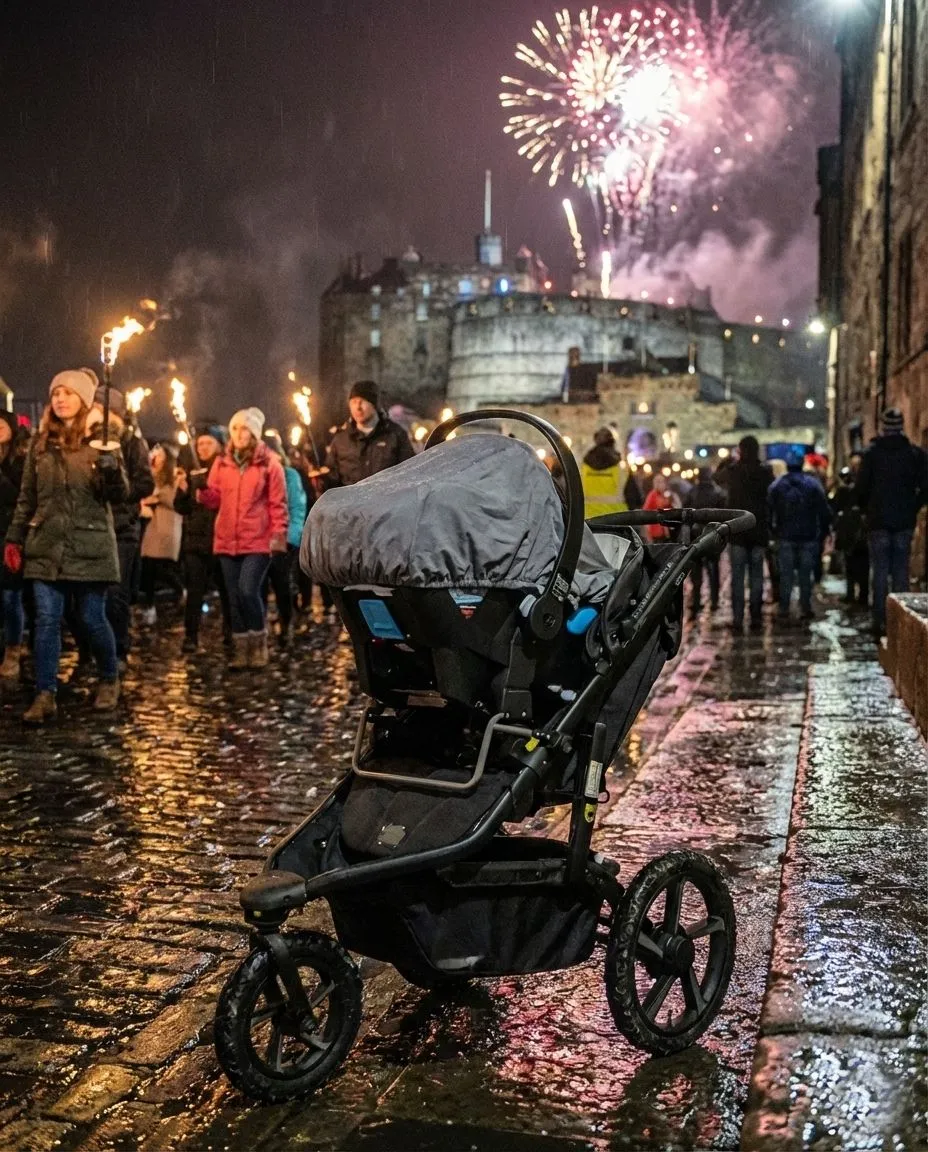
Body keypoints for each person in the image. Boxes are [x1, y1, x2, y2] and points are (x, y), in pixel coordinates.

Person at [4, 370, 127, 722]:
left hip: (90, 545)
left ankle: (108, 677)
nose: (60, 399)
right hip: (46, 545)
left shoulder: (102, 442)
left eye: (68, 393)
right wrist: (15, 537)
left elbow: (118, 495)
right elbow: (28, 498)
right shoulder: (40, 446)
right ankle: (45, 694)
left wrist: (110, 470)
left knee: (91, 618)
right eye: (55, 392)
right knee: (46, 620)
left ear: (84, 401)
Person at [197, 408, 288, 670]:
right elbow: (215, 498)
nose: (238, 434)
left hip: (257, 540)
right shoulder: (222, 463)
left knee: (248, 590)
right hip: (227, 539)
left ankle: (258, 642)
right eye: (235, 428)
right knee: (233, 596)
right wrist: (203, 492)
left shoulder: (269, 464)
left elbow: (277, 503)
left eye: (244, 429)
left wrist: (278, 537)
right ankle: (241, 649)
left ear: (254, 433)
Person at [88, 384, 154, 669]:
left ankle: (118, 650)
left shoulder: (130, 441)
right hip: (92, 526)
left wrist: (118, 487)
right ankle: (94, 649)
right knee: (90, 599)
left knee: (116, 595)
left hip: (122, 526)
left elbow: (145, 483)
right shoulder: (86, 438)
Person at [855, 407, 928, 638]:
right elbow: (925, 486)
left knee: (879, 573)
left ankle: (880, 620)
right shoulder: (914, 454)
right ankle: (901, 622)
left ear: (883, 427)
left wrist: (867, 509)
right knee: (900, 572)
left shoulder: (872, 454)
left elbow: (861, 489)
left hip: (878, 521)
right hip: (904, 521)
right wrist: (913, 506)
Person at [174, 424, 232, 652]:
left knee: (226, 589)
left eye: (209, 443)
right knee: (195, 590)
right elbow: (181, 506)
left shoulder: (225, 469)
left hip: (220, 538)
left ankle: (230, 632)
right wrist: (184, 491)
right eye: (200, 444)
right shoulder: (189, 470)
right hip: (196, 540)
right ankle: (191, 635)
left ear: (218, 445)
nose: (203, 448)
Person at [767, 446, 832, 624]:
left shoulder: (777, 485)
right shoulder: (812, 484)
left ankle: (784, 609)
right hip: (808, 536)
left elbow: (769, 511)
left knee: (786, 576)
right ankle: (805, 608)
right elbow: (824, 511)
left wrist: (773, 532)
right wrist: (824, 532)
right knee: (805, 576)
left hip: (785, 537)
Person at [261, 433, 308, 647]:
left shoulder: (290, 475)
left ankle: (286, 622)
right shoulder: (258, 474)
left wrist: (291, 537)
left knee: (282, 584)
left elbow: (297, 509)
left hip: (284, 539)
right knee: (260, 585)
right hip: (260, 540)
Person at [323, 381, 414, 488]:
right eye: (353, 402)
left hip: (387, 501)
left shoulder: (395, 435)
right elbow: (331, 479)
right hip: (351, 503)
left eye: (362, 401)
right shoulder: (340, 440)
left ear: (374, 404)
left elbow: (410, 472)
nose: (357, 407)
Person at [726, 435, 775, 632]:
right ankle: (755, 617)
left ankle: (738, 619)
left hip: (738, 532)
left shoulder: (734, 472)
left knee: (737, 578)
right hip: (758, 531)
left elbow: (718, 481)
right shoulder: (765, 473)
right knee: (756, 577)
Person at [138, 443, 184, 624]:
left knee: (164, 567)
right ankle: (149, 608)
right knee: (149, 567)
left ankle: (180, 590)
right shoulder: (154, 475)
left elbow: (174, 500)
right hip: (153, 528)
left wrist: (156, 498)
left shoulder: (175, 477)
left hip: (167, 527)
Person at [0, 410, 26, 682]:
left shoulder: (20, 461)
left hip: (10, 537)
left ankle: (13, 648)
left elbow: (18, 497)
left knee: (10, 597)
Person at [684, 466, 726, 614]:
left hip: (696, 535)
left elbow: (685, 514)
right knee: (713, 570)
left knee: (696, 571)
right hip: (713, 535)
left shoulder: (692, 492)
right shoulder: (718, 492)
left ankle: (696, 601)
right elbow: (723, 515)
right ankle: (714, 601)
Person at [830, 463, 868, 607]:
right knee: (860, 566)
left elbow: (835, 509)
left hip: (852, 533)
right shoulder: (859, 492)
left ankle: (854, 594)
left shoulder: (844, 492)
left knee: (852, 565)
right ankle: (859, 596)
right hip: (857, 533)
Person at [580, 428, 639, 519]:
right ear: (613, 443)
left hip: (589, 522)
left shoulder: (584, 467)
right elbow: (634, 499)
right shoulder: (621, 469)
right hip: (616, 522)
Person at [642, 473, 680, 542]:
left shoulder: (665, 494)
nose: (662, 484)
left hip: (664, 528)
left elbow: (670, 507)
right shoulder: (652, 495)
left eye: (663, 482)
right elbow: (646, 510)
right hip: (656, 529)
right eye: (659, 482)